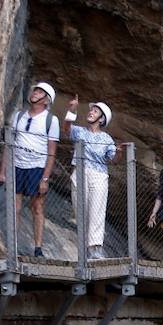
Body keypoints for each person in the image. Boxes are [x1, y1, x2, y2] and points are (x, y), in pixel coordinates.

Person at [0, 81, 60, 257]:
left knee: (37, 206)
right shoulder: (18, 116)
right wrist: (2, 172)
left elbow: (51, 152)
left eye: (40, 92)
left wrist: (45, 179)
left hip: (37, 167)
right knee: (14, 207)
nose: (35, 93)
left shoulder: (50, 120)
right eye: (35, 90)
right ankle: (13, 245)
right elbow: (9, 144)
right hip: (18, 165)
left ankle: (38, 248)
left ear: (46, 101)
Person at [62, 96, 118, 259]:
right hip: (80, 172)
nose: (91, 112)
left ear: (102, 119)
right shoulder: (80, 131)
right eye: (91, 110)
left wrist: (120, 153)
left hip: (99, 174)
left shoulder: (107, 139)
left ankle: (95, 249)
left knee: (97, 210)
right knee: (80, 210)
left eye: (95, 111)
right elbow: (67, 128)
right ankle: (84, 248)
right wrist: (72, 110)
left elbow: (113, 159)